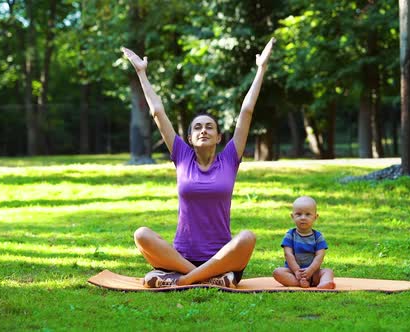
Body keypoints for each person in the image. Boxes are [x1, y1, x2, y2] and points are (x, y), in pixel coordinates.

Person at [121, 37, 275, 288]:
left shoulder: (230, 158)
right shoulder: (182, 156)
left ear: (219, 137)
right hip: (181, 256)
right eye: (198, 128)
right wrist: (141, 73)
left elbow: (246, 111)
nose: (204, 130)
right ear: (189, 138)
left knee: (247, 238)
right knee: (141, 234)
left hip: (221, 256)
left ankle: (182, 280)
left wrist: (261, 70)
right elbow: (158, 112)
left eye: (209, 127)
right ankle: (206, 277)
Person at [272, 196, 335, 289]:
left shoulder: (318, 236)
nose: (303, 218)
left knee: (328, 271)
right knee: (277, 272)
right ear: (292, 216)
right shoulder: (290, 235)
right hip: (294, 273)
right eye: (299, 214)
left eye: (308, 214)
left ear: (315, 217)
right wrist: (297, 271)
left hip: (314, 273)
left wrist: (311, 270)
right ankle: (299, 283)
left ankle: (325, 283)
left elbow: (320, 255)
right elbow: (288, 254)